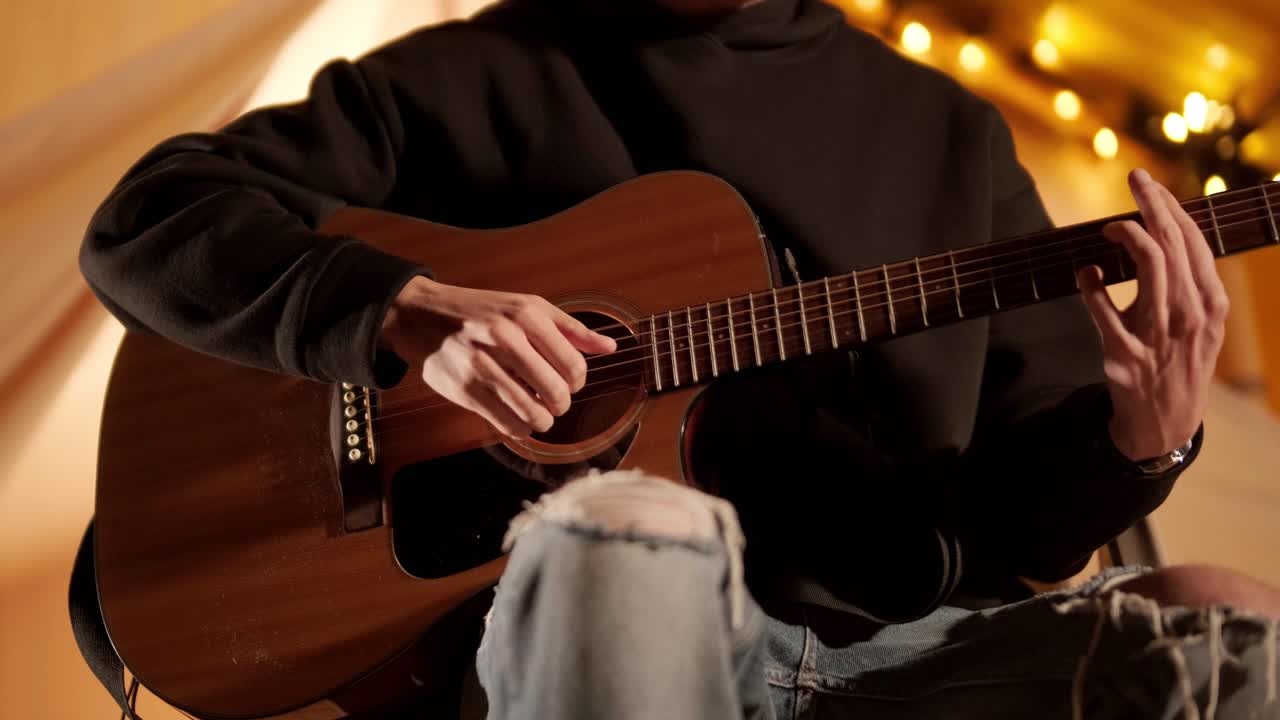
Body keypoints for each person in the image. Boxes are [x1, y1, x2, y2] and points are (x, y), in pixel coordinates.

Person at [80, 0, 1280, 717]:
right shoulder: (485, 71)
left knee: (1233, 627)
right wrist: (399, 313)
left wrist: (1142, 442)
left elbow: (1019, 527)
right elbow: (147, 221)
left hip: (899, 667)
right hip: (594, 625)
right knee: (635, 534)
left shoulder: (954, 136)